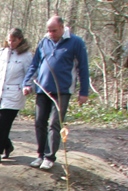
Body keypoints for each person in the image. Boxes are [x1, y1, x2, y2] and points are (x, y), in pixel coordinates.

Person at [23, 16, 90, 171]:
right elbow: (35, 64)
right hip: (42, 88)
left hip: (63, 91)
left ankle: (49, 157)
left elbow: (83, 68)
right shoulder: (44, 41)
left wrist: (84, 92)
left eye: (53, 30)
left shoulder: (76, 42)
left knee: (55, 123)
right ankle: (40, 154)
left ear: (62, 27)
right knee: (40, 122)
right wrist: (27, 83)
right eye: (48, 30)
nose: (50, 33)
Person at [0, 28, 33, 165]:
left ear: (20, 40)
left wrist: (28, 87)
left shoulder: (26, 56)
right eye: (9, 40)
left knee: (2, 125)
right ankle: (7, 145)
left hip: (14, 95)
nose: (11, 43)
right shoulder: (1, 53)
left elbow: (30, 74)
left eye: (14, 40)